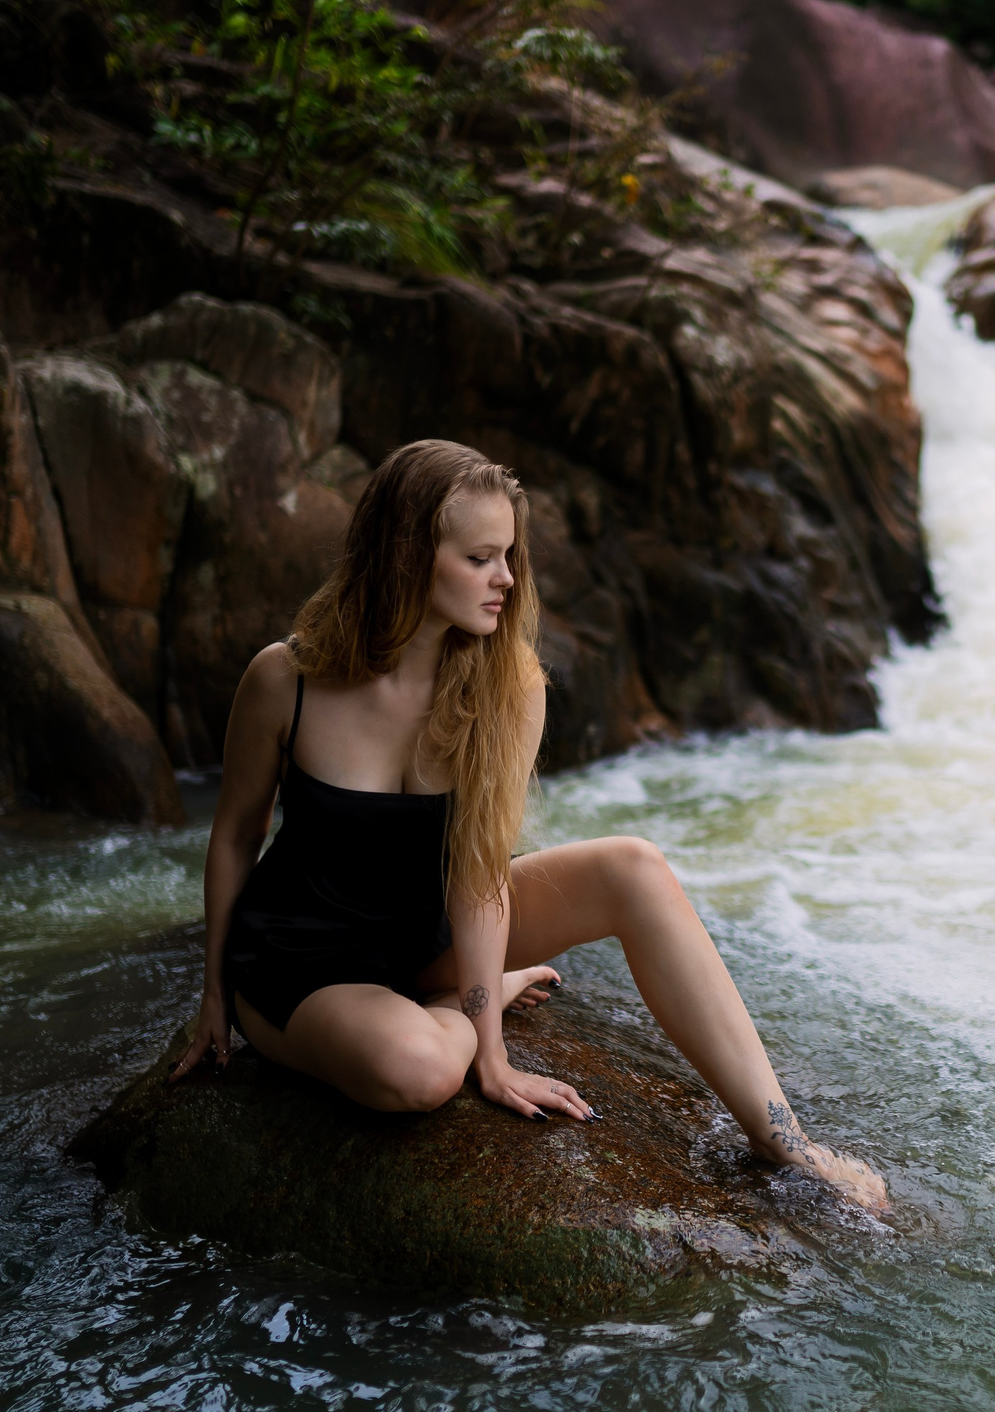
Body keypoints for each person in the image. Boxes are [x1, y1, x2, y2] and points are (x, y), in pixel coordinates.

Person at [167, 438, 885, 1209]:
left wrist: (497, 1056)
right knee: (419, 1071)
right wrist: (213, 994)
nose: (505, 578)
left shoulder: (509, 691)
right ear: (409, 554)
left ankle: (782, 1138)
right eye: (481, 558)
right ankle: (468, 1006)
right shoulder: (288, 678)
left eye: (509, 555)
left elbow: (479, 875)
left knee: (634, 867)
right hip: (307, 964)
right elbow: (237, 834)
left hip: (428, 936)